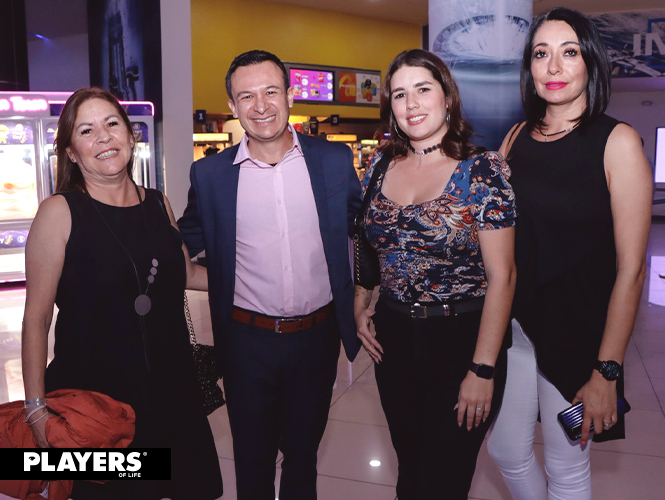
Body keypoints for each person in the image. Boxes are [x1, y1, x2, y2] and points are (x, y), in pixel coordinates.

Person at [21, 87, 223, 500]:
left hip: (172, 387)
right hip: (96, 399)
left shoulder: (158, 204)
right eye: (87, 129)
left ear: (131, 137)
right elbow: (36, 319)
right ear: (72, 152)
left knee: (187, 487)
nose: (104, 137)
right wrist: (36, 408)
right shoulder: (59, 212)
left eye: (112, 124)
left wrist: (260, 275)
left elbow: (184, 273)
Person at [177, 50, 362, 500]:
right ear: (233, 106)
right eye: (246, 96)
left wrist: (366, 296)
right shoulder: (210, 174)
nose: (260, 106)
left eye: (270, 92)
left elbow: (364, 226)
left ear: (289, 95)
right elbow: (189, 235)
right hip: (246, 342)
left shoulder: (334, 161)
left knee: (303, 456)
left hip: (317, 338)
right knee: (253, 460)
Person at [486, 8, 652, 500]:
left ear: (590, 64)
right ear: (529, 67)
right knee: (506, 449)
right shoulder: (516, 137)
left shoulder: (617, 142)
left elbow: (631, 271)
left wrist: (607, 372)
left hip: (579, 333)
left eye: (569, 52)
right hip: (518, 327)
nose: (554, 67)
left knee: (566, 464)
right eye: (542, 54)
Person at [354, 49, 517, 500]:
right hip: (394, 342)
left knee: (443, 479)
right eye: (400, 94)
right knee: (410, 470)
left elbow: (503, 276)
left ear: (447, 96)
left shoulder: (482, 170)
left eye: (423, 89)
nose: (412, 104)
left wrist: (482, 370)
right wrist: (361, 299)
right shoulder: (379, 166)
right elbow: (368, 240)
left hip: (462, 339)